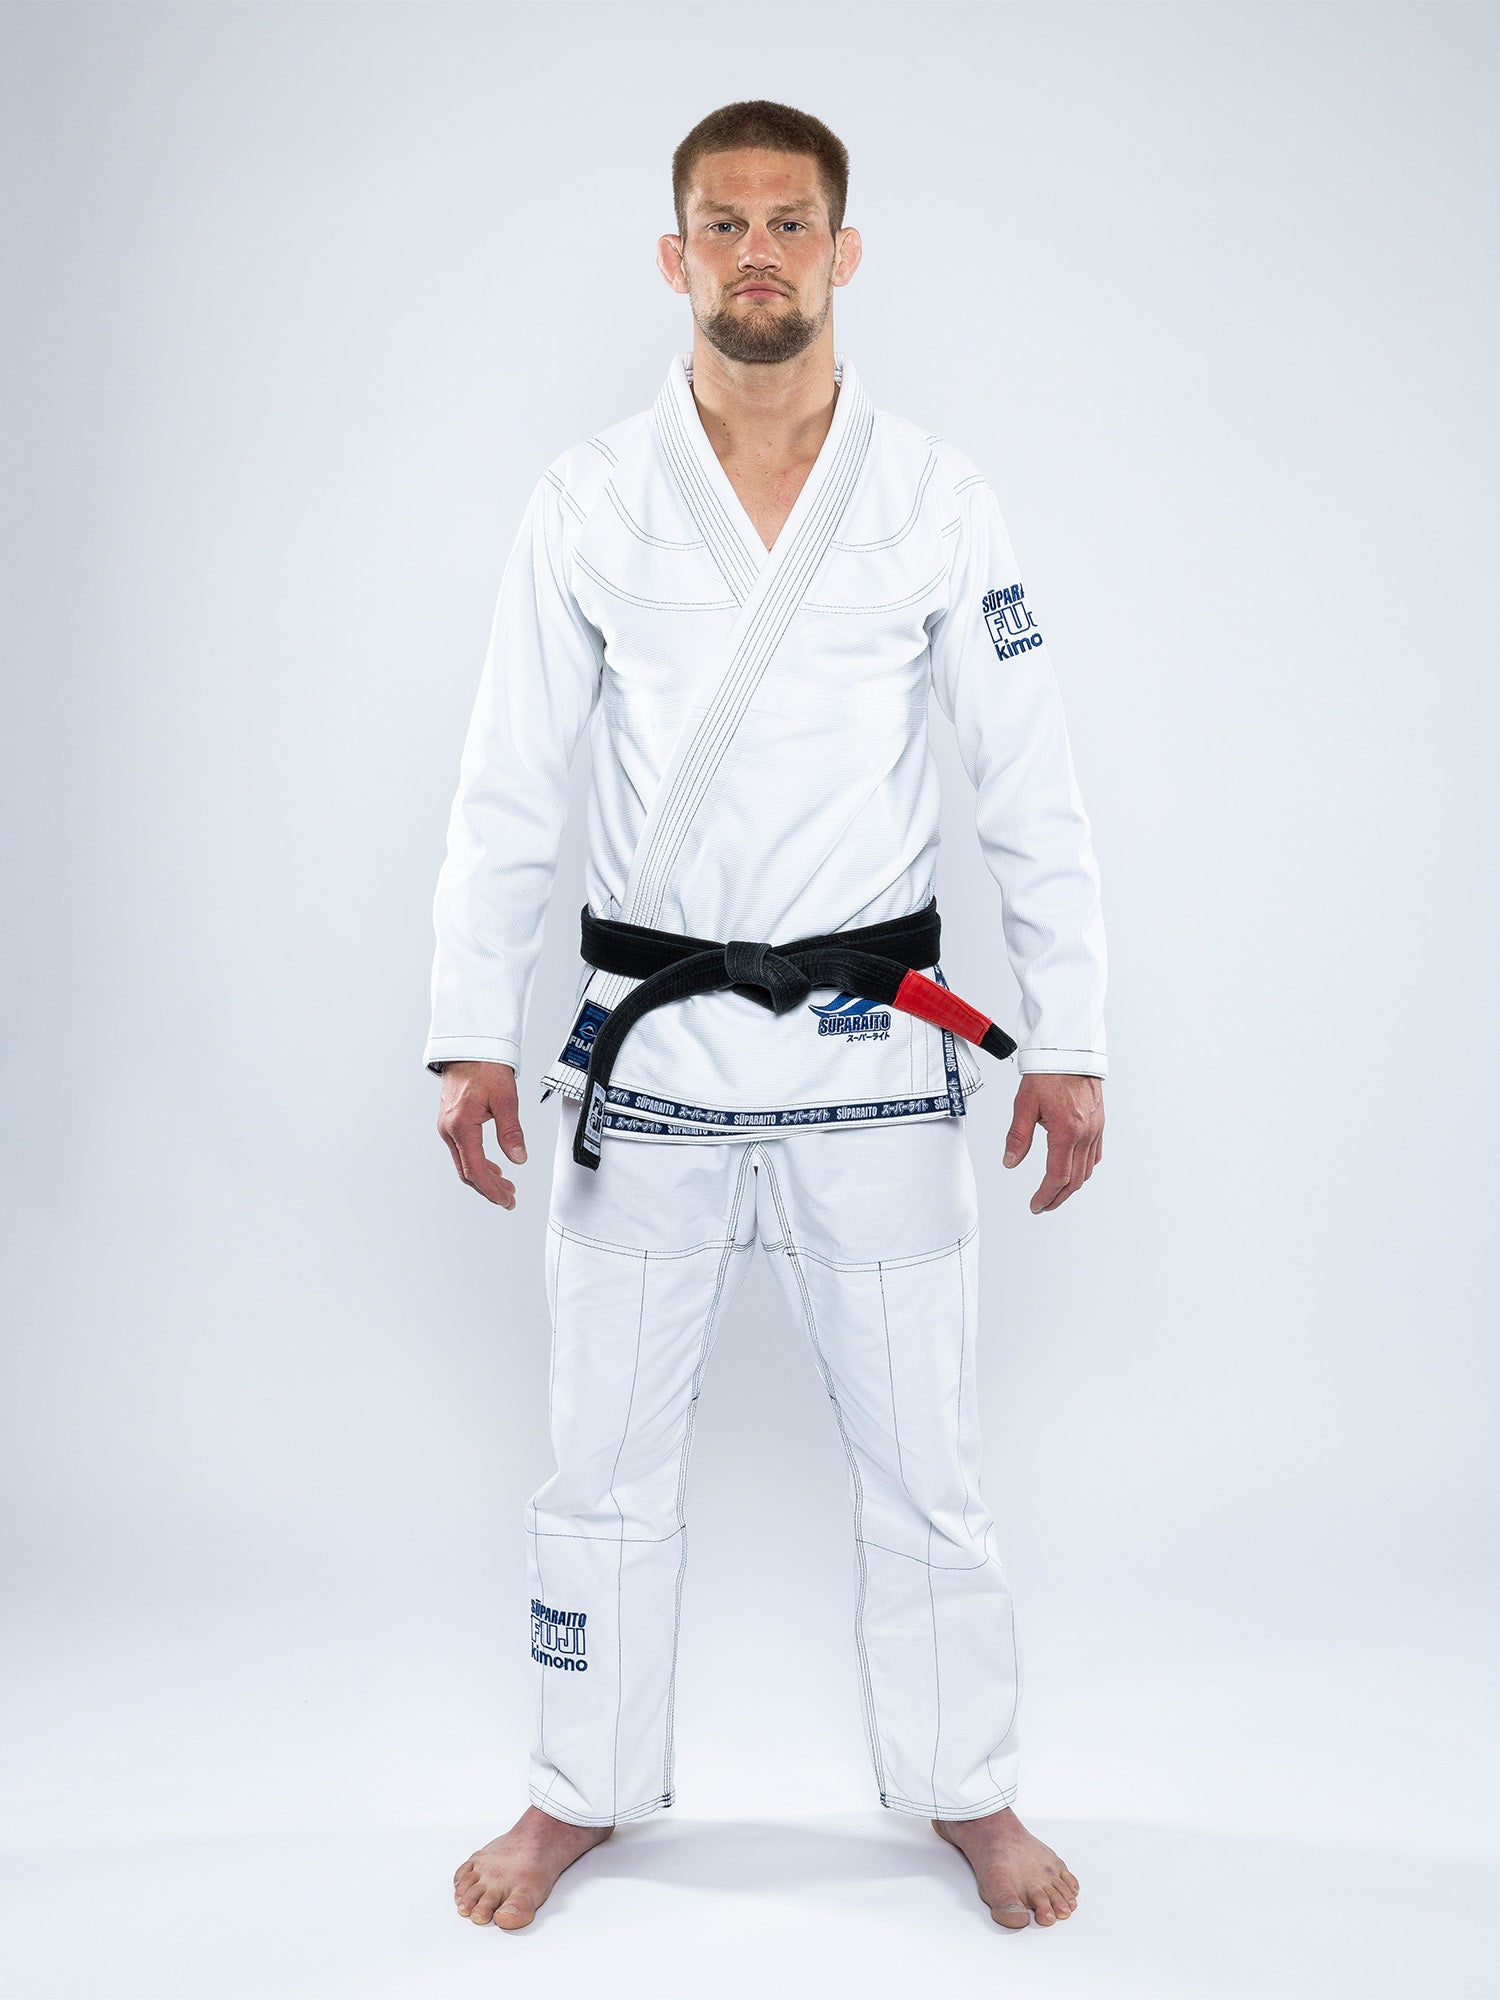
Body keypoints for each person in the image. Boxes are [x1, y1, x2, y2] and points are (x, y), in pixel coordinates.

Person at [427, 99, 1103, 1933]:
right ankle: (580, 1791)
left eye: (788, 224)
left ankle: (969, 1793)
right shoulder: (587, 497)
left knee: (930, 1467)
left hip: (875, 1051)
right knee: (599, 1465)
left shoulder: (936, 496)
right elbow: (508, 784)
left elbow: (1028, 783)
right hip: (648, 1051)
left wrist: (1074, 1033)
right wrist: (468, 1030)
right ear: (675, 258)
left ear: (842, 253)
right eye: (720, 225)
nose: (755, 255)